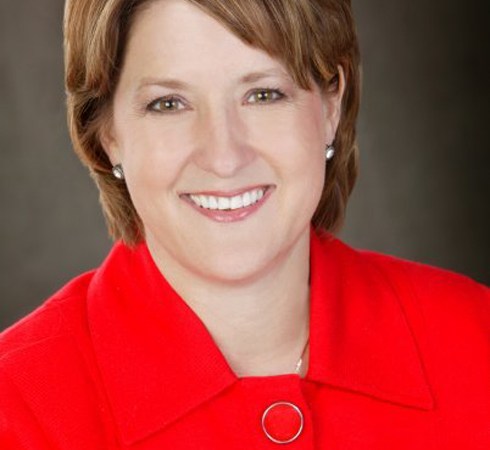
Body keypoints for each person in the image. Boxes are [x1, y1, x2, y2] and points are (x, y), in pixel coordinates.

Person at [0, 0, 488, 448]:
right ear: (108, 132)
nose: (224, 157)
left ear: (330, 107)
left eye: (263, 94)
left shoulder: (476, 338)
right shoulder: (16, 405)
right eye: (168, 103)